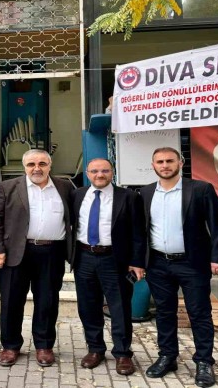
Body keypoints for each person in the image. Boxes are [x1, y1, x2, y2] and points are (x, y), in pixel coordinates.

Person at [136, 148, 218, 387]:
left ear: (181, 162)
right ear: (153, 165)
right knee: (164, 312)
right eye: (160, 162)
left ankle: (204, 362)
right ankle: (167, 356)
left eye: (169, 161)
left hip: (192, 263)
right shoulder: (145, 192)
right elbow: (140, 231)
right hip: (157, 263)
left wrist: (217, 257)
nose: (165, 165)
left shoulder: (200, 189)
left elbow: (216, 225)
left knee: (199, 313)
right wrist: (139, 261)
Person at [0, 149, 74, 367]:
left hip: (52, 253)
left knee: (47, 301)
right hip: (15, 253)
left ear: (50, 165)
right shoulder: (8, 187)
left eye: (42, 164)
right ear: (24, 167)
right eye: (31, 164)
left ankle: (44, 346)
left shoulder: (65, 187)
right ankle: (10, 346)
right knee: (11, 301)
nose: (37, 168)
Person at [70, 158, 145, 376]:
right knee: (88, 306)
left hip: (115, 259)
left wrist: (137, 261)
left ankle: (122, 353)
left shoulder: (129, 197)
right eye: (94, 171)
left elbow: (138, 232)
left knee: (119, 307)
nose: (99, 175)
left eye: (104, 170)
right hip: (84, 257)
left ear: (112, 172)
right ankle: (95, 349)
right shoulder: (77, 195)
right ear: (87, 173)